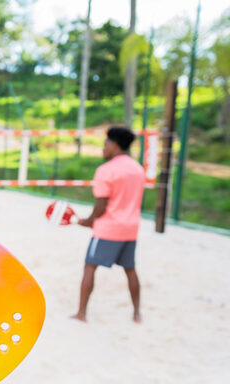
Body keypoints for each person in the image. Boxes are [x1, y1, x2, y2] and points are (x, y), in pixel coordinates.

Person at [72, 126, 145, 323]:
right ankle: (137, 314)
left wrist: (87, 221)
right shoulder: (138, 169)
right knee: (130, 269)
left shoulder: (106, 170)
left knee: (89, 267)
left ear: (114, 144)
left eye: (105, 143)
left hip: (108, 229)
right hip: (131, 228)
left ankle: (81, 313)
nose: (103, 148)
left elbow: (101, 205)